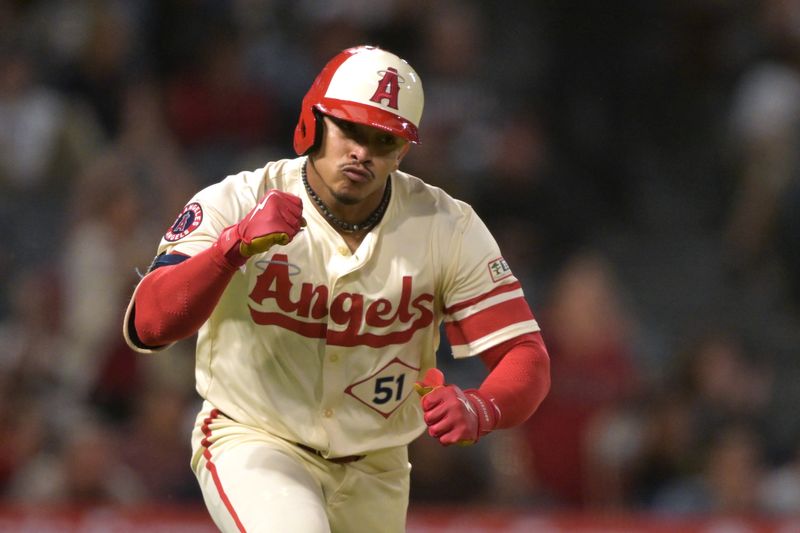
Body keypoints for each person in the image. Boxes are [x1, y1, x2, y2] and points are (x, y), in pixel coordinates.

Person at [122, 45, 550, 533]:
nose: (362, 152)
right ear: (314, 120)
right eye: (349, 128)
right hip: (256, 439)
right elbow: (148, 324)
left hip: (378, 463)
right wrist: (230, 251)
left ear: (404, 150)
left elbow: (525, 354)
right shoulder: (239, 199)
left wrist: (482, 407)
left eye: (383, 140)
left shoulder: (445, 226)